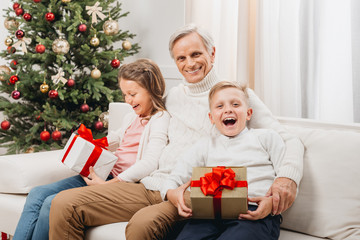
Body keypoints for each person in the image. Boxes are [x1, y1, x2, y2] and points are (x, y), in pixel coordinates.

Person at [49, 24, 303, 240]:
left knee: (142, 226)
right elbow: (137, 123)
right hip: (151, 183)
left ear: (212, 54)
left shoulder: (234, 97)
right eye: (181, 58)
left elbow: (288, 140)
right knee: (63, 204)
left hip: (193, 191)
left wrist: (286, 180)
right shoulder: (171, 98)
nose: (189, 63)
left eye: (196, 54)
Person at [12, 58, 170, 240]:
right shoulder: (132, 116)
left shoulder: (160, 119)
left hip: (121, 184)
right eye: (125, 94)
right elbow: (117, 137)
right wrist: (92, 144)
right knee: (37, 194)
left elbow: (150, 162)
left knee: (51, 203)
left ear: (152, 90)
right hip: (104, 173)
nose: (128, 100)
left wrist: (109, 184)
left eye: (133, 94)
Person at [164, 81, 284, 240]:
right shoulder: (204, 145)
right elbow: (174, 178)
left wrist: (272, 204)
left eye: (235, 104)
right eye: (219, 106)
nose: (228, 109)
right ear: (211, 117)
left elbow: (285, 178)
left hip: (253, 213)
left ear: (248, 113)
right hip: (210, 214)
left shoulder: (266, 137)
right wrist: (171, 193)